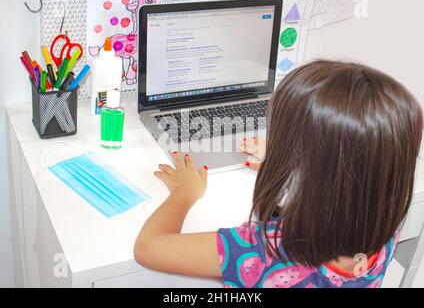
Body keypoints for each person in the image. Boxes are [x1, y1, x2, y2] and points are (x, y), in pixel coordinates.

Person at [134, 60, 423, 288]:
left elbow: (148, 248)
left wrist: (185, 192)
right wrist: (298, 164)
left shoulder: (265, 250)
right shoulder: (384, 225)